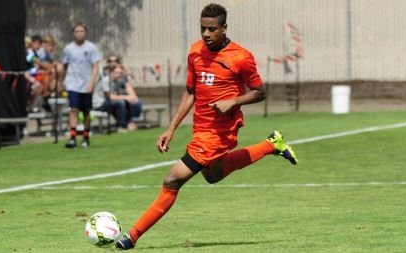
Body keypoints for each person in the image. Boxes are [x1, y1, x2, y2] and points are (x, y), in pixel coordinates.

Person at [115, 3, 298, 250]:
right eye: (203, 28)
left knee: (171, 180)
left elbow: (260, 92)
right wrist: (171, 128)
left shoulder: (240, 57)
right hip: (200, 128)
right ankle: (270, 144)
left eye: (212, 29)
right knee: (213, 176)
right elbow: (190, 92)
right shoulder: (195, 52)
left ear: (224, 28)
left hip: (220, 132)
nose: (206, 34)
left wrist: (234, 101)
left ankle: (132, 236)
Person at [61, 22, 101, 148]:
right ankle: (72, 137)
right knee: (73, 109)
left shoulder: (91, 48)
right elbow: (64, 66)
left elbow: (95, 67)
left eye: (81, 31)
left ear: (85, 32)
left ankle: (85, 136)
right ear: (73, 33)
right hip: (72, 83)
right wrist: (61, 81)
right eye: (76, 31)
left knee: (85, 112)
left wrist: (91, 82)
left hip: (86, 84)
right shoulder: (68, 49)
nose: (79, 34)